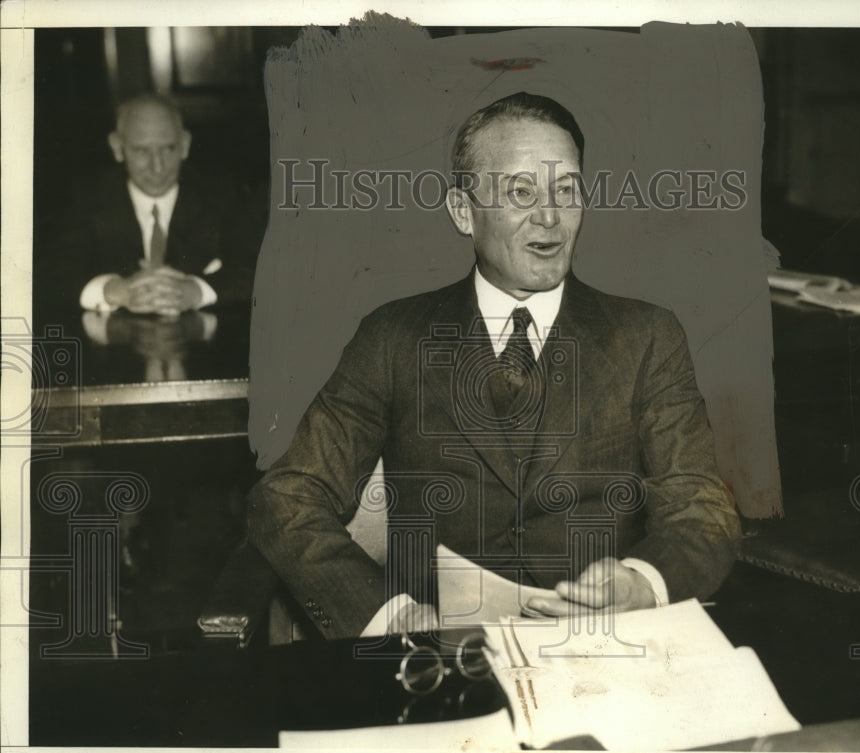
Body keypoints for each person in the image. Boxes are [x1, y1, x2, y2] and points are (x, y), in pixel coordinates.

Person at [246, 92, 741, 638]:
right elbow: (287, 498)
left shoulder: (647, 336)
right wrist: (391, 616)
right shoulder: (394, 336)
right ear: (464, 212)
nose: (550, 217)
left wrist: (642, 584)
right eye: (521, 191)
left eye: (567, 190)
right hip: (437, 654)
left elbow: (701, 511)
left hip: (600, 650)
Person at [46, 94, 255, 318]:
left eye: (168, 149)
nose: (157, 167)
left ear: (185, 144)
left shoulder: (225, 194)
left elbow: (260, 267)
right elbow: (49, 275)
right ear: (118, 147)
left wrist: (195, 291)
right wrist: (113, 290)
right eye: (141, 151)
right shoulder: (85, 198)